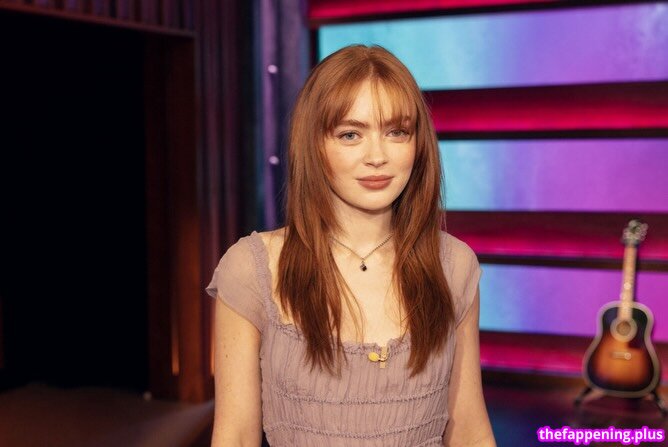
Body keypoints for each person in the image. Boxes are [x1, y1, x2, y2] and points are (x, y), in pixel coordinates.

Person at [205, 44, 496, 447]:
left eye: (396, 132)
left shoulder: (453, 265)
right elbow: (235, 436)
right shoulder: (253, 269)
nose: (377, 156)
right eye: (350, 134)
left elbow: (469, 430)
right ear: (315, 145)